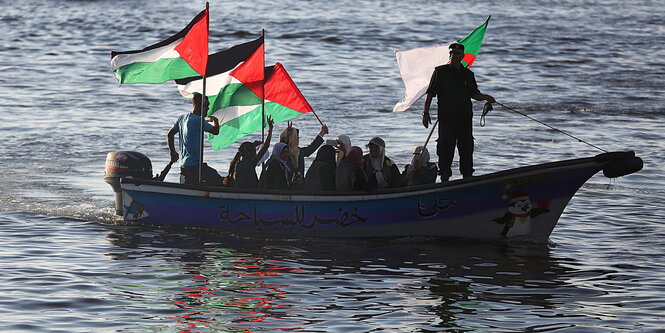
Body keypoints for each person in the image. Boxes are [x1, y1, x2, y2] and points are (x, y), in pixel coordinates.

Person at [423, 42, 495, 181]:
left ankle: (467, 178)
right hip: (446, 119)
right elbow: (430, 94)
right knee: (445, 149)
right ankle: (445, 178)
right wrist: (426, 113)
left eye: (456, 53)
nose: (453, 55)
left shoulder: (468, 74)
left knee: (466, 149)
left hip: (464, 119)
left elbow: (474, 94)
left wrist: (487, 97)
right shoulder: (440, 71)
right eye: (450, 53)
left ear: (462, 56)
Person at [167, 93, 224, 185]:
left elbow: (170, 134)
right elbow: (215, 131)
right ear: (198, 105)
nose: (208, 108)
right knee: (221, 181)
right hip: (194, 166)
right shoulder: (198, 120)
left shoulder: (182, 118)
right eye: (206, 106)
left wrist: (172, 151)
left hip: (183, 165)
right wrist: (215, 121)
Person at [228, 116, 275, 190]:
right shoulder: (251, 163)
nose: (256, 153)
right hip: (249, 192)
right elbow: (266, 146)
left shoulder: (237, 163)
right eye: (254, 151)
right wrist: (270, 129)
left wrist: (253, 145)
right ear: (249, 154)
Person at [279, 121, 329, 186]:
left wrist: (322, 133)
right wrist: (288, 136)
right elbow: (282, 147)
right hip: (286, 186)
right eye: (296, 137)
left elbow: (311, 149)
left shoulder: (299, 151)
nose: (298, 140)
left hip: (299, 185)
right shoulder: (282, 153)